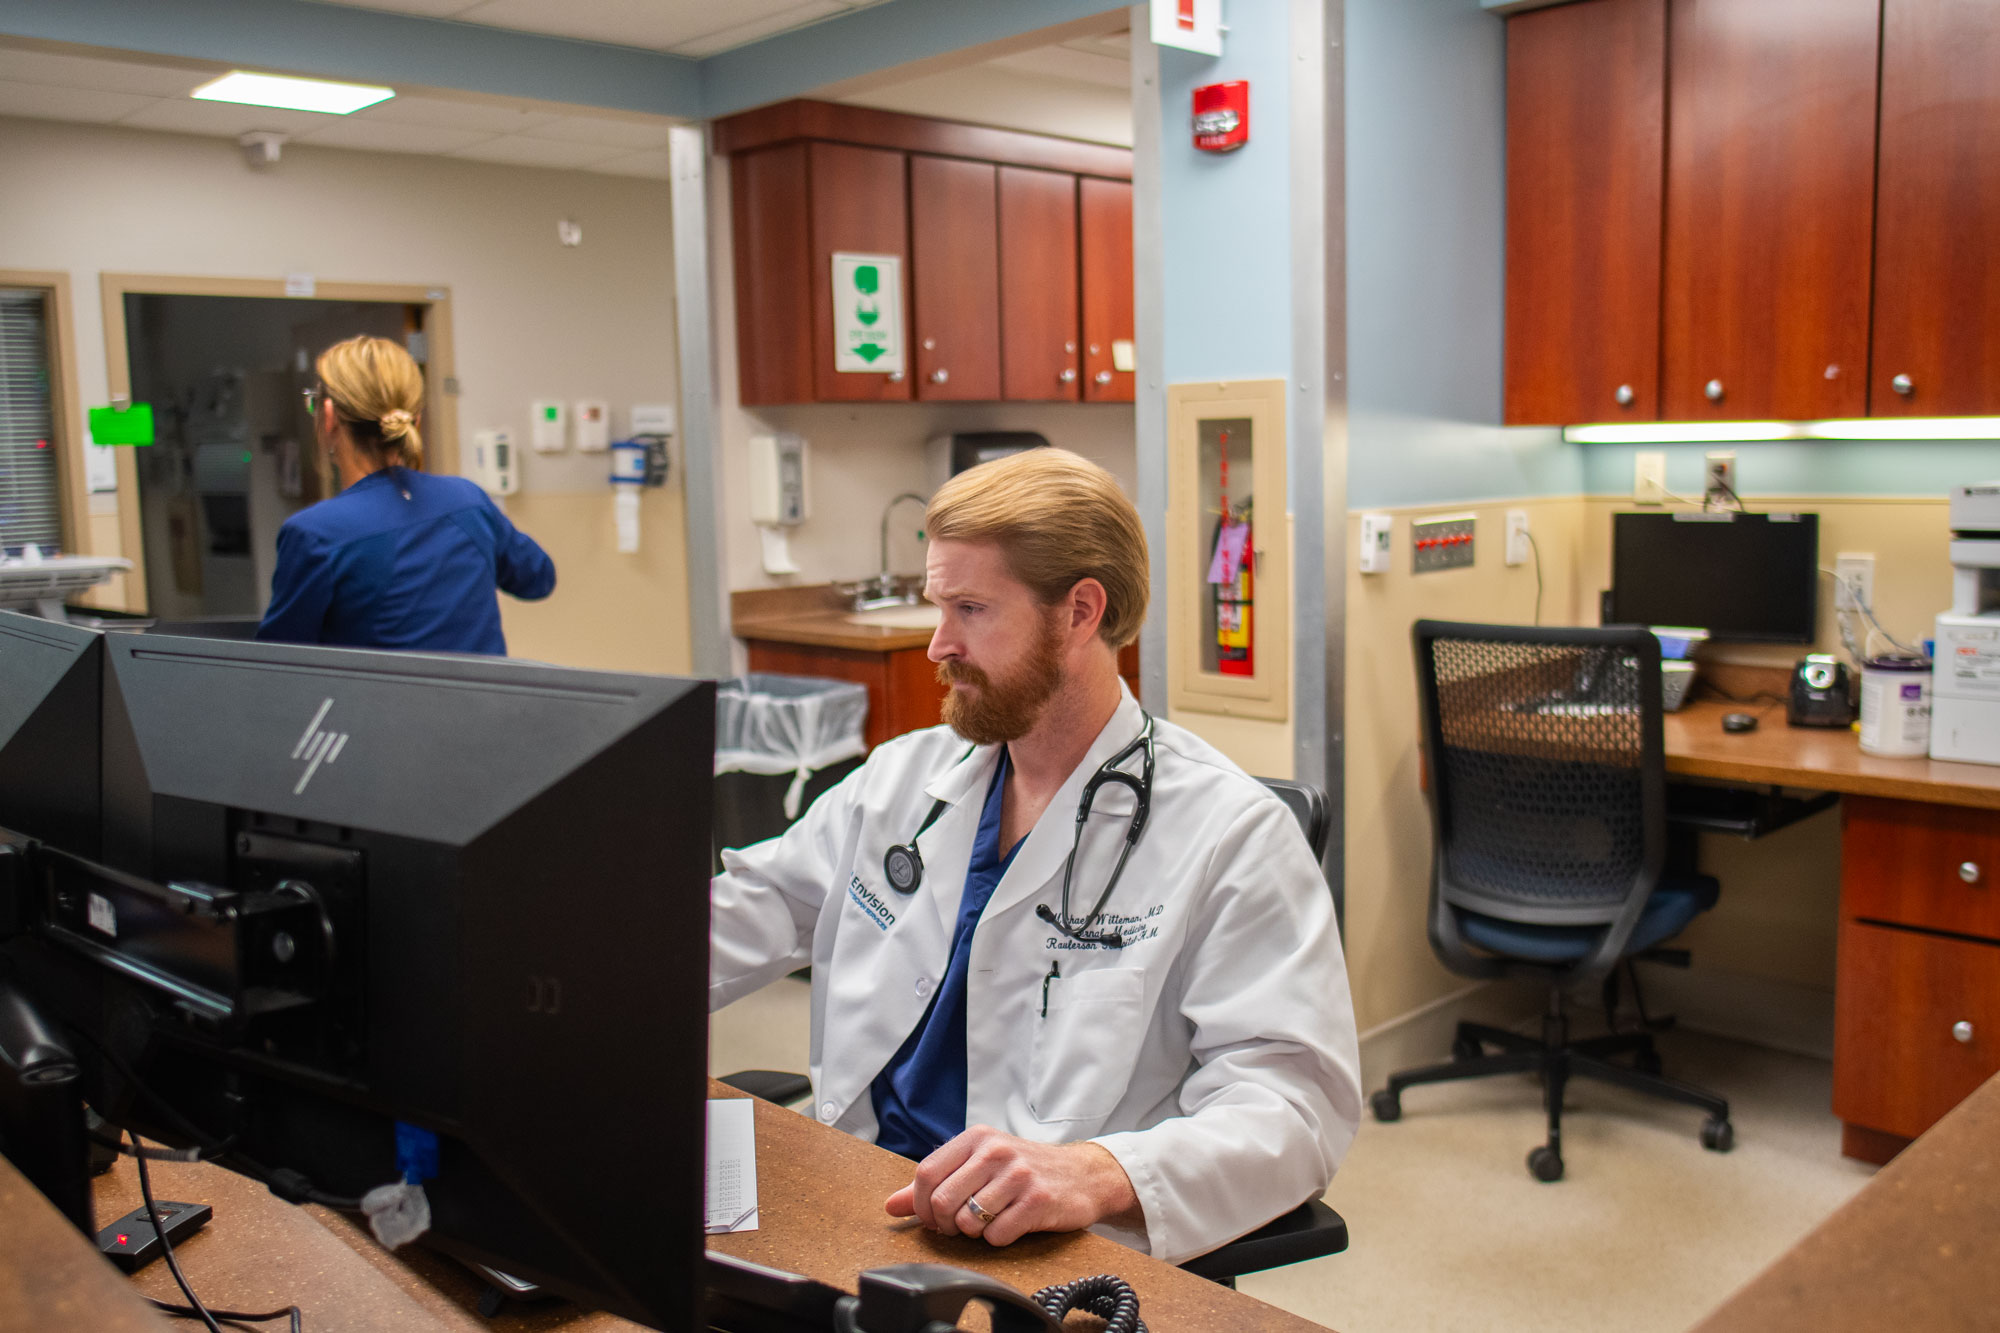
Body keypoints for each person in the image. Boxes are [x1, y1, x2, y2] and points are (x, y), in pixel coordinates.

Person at [710, 448, 1360, 1266]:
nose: (937, 645)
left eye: (972, 609)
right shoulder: (905, 778)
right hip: (858, 1202)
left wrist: (1100, 1169)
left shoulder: (1230, 833)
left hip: (1047, 1251)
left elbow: (1295, 1106)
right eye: (937, 606)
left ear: (1081, 611)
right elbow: (751, 906)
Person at [257, 335, 554, 653]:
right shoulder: (468, 500)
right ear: (416, 419)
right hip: (485, 703)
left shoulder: (316, 533)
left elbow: (278, 663)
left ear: (328, 417)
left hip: (381, 704)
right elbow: (538, 579)